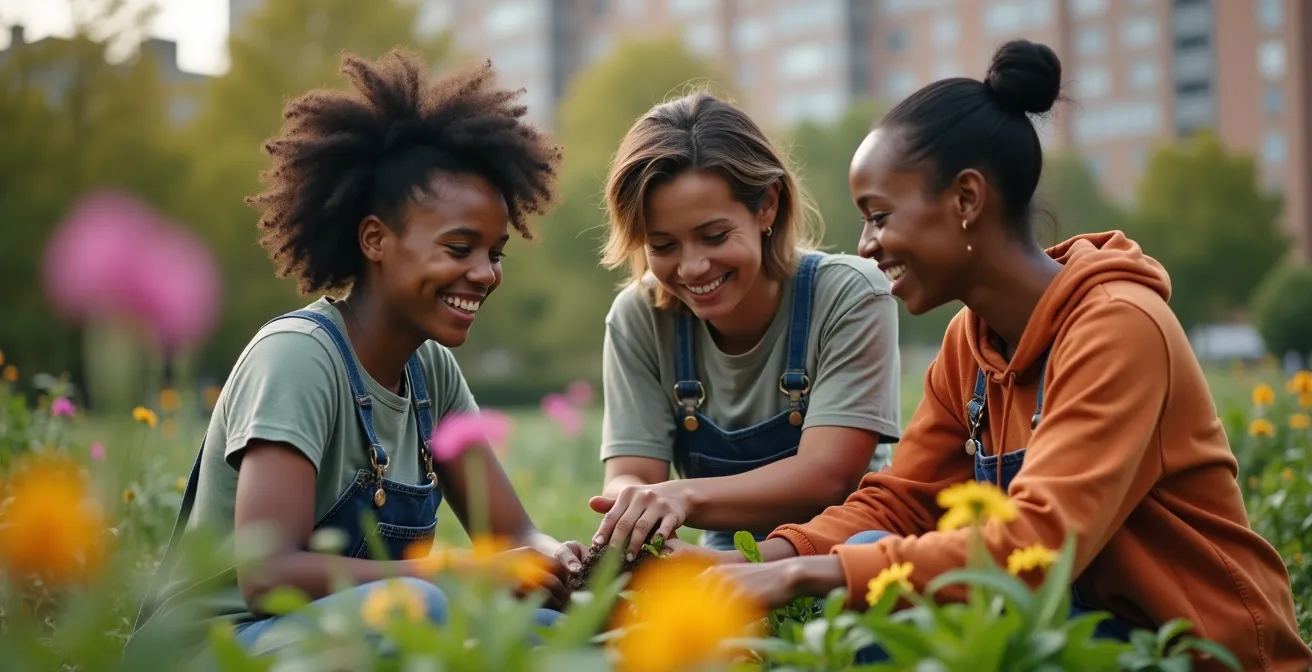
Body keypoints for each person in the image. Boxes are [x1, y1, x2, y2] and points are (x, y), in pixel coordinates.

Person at [691, 40, 1312, 670]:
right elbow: (902, 502)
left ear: (966, 199)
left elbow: (1037, 545)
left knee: (892, 601)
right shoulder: (971, 343)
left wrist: (805, 578)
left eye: (879, 217)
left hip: (1197, 653)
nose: (867, 246)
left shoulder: (1118, 328)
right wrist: (747, 561)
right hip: (1074, 632)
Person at [126, 50, 586, 661]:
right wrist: (464, 573)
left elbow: (511, 533)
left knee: (562, 634)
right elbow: (269, 577)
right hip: (212, 649)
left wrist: (554, 557)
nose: (484, 274)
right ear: (376, 239)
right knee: (424, 607)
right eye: (459, 247)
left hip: (340, 641)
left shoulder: (433, 374)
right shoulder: (298, 357)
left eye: (495, 253)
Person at [589, 90, 903, 563]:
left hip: (843, 557)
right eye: (664, 245)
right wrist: (634, 504)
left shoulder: (851, 295)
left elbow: (829, 474)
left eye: (714, 236)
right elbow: (631, 473)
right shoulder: (639, 318)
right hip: (716, 554)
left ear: (767, 207)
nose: (692, 267)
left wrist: (682, 497)